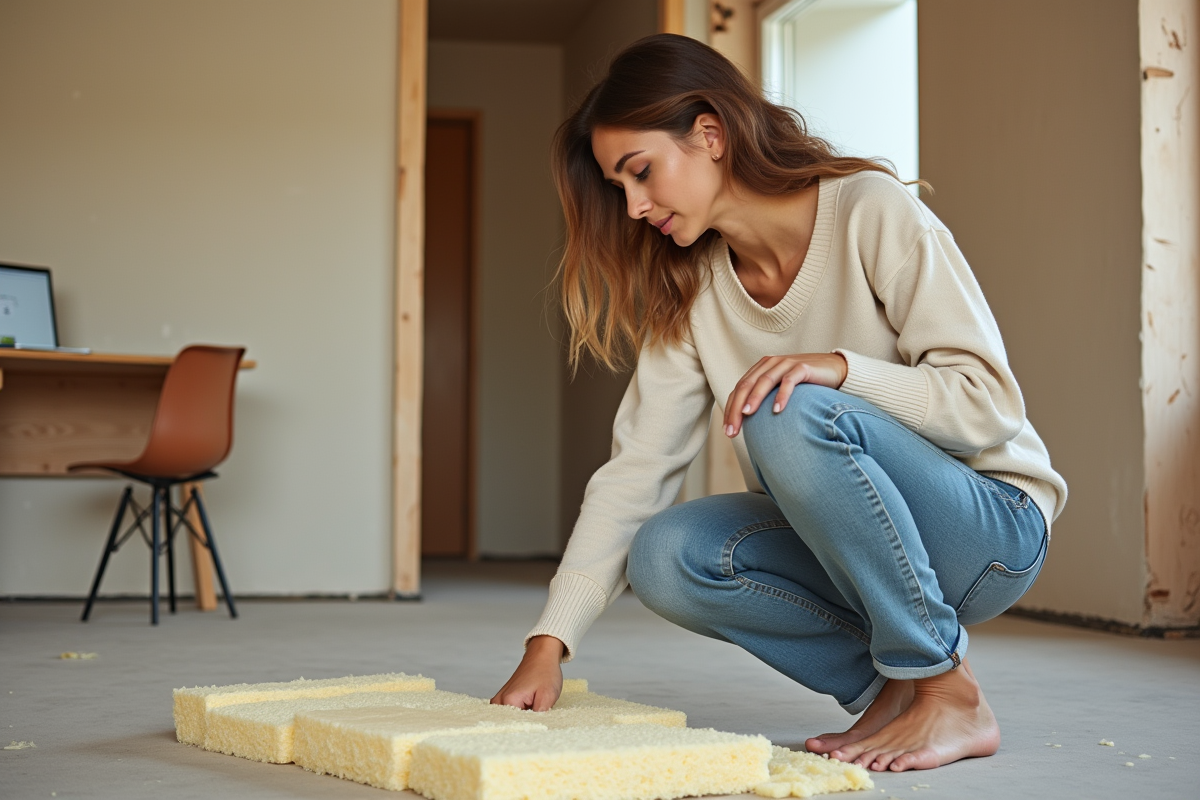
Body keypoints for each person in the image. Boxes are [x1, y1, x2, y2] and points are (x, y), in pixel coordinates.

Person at [490, 33, 1067, 773]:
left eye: (641, 173)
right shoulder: (691, 287)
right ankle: (892, 692)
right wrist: (548, 647)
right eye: (618, 188)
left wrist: (836, 369)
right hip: (854, 547)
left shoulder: (869, 211)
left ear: (710, 133)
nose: (633, 206)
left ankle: (947, 690)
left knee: (780, 401)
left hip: (989, 527)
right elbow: (637, 470)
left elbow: (987, 404)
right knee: (667, 554)